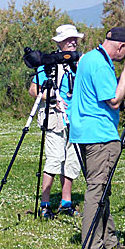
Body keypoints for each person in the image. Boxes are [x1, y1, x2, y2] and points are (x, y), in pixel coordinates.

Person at [69, 27, 125, 249]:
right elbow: (114, 100)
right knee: (97, 190)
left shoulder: (89, 57)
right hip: (99, 135)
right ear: (120, 46)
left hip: (83, 132)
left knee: (102, 189)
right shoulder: (101, 65)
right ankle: (92, 248)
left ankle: (108, 241)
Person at [29, 24, 83, 219]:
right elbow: (34, 90)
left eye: (74, 39)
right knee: (54, 159)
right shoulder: (49, 63)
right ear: (59, 42)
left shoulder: (80, 63)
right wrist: (52, 98)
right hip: (54, 116)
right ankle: (45, 203)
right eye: (68, 39)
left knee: (72, 160)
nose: (72, 42)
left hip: (76, 116)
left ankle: (66, 202)